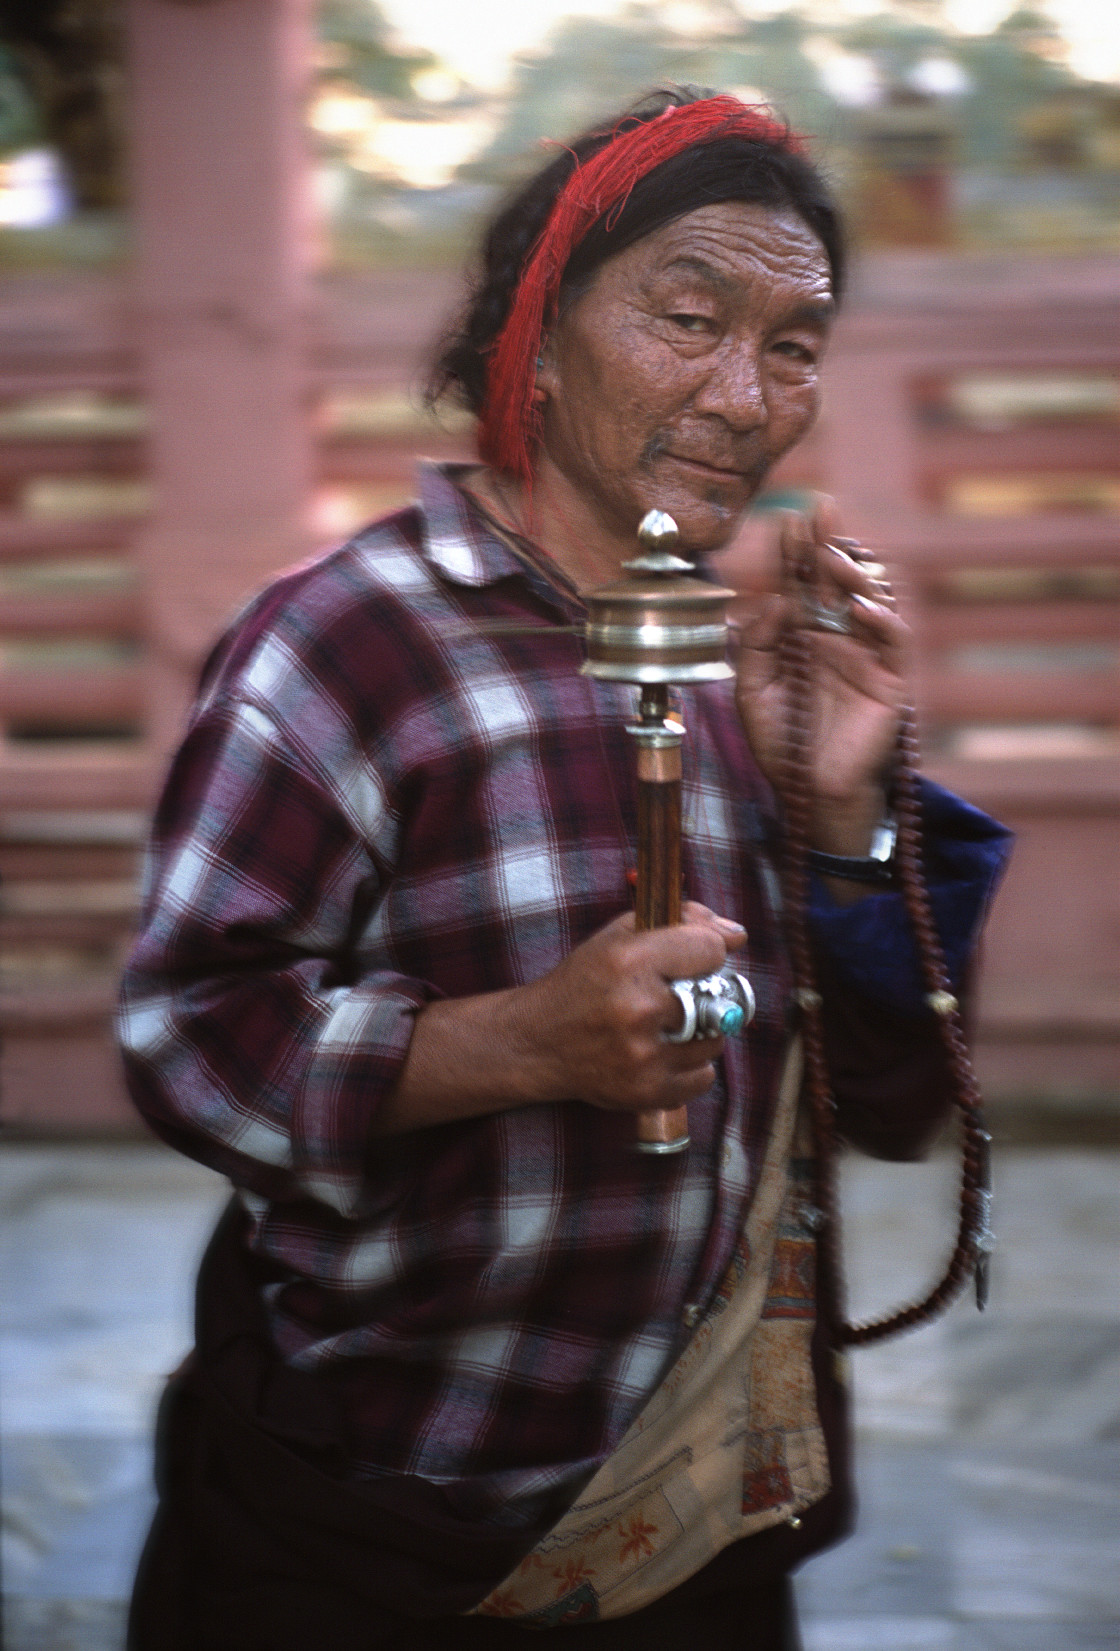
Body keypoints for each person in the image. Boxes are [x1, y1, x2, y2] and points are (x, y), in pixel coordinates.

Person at [118, 88, 1010, 1650]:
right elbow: (189, 1038)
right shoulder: (348, 644)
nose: (744, 394)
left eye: (793, 346)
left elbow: (891, 1105)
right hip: (380, 1521)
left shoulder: (760, 665)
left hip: (702, 1514)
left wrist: (851, 807)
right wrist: (511, 1043)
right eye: (687, 318)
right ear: (532, 336)